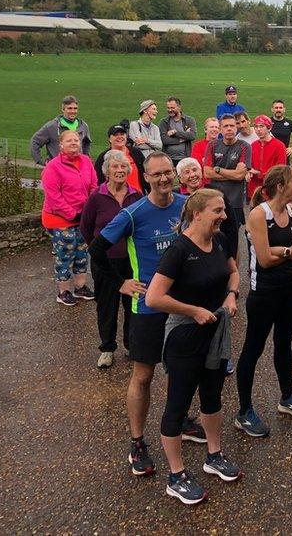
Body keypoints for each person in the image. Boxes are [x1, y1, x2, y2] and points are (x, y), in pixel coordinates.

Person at [88, 152, 202, 477]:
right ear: (146, 177)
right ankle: (137, 442)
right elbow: (96, 248)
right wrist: (120, 283)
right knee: (144, 376)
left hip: (181, 306)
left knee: (181, 371)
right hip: (148, 309)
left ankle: (180, 420)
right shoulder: (133, 213)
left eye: (168, 173)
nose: (164, 179)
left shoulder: (187, 205)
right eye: (157, 175)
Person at [145, 187, 242, 505]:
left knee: (212, 398)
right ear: (197, 213)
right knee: (177, 404)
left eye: (224, 210)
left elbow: (234, 273)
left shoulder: (220, 241)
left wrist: (231, 295)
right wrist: (193, 311)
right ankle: (176, 476)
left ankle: (213, 456)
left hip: (215, 332)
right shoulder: (178, 250)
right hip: (184, 336)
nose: (224, 216)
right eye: (218, 211)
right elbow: (154, 297)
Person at [236, 165, 292, 437]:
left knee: (284, 342)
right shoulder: (258, 215)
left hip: (291, 286)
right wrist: (286, 252)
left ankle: (287, 398)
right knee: (253, 349)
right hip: (264, 291)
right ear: (280, 186)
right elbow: (265, 261)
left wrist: (282, 249)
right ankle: (244, 411)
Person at [80, 151, 142, 368]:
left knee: (132, 303)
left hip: (131, 260)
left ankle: (131, 344)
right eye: (115, 167)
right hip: (105, 262)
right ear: (107, 171)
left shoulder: (136, 196)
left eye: (123, 167)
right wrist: (97, 249)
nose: (120, 170)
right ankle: (107, 348)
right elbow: (86, 228)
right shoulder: (97, 197)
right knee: (107, 305)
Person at [41, 130, 97, 307]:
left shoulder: (86, 161)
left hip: (82, 217)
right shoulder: (53, 167)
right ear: (61, 145)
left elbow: (94, 185)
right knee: (65, 254)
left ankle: (80, 287)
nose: (74, 143)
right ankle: (63, 291)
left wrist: (88, 209)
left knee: (82, 253)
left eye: (76, 140)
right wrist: (73, 214)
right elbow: (54, 197)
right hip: (60, 219)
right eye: (69, 141)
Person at [177, 158, 239, 259]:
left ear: (201, 172)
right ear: (180, 178)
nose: (192, 175)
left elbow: (231, 226)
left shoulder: (216, 192)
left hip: (217, 247)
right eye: (187, 172)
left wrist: (232, 255)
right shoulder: (176, 197)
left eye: (194, 170)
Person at [203, 114, 251, 239]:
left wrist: (218, 169)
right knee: (213, 238)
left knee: (233, 242)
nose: (229, 129)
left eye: (232, 125)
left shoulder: (244, 146)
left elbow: (240, 175)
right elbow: (207, 173)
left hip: (235, 203)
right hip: (214, 200)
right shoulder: (212, 145)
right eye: (225, 126)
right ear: (220, 129)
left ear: (236, 128)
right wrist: (233, 173)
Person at [30, 95, 92, 165]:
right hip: (58, 169)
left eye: (75, 108)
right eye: (69, 108)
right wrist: (40, 160)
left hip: (77, 168)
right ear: (63, 109)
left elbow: (87, 142)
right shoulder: (52, 126)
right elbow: (35, 141)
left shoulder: (83, 126)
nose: (73, 111)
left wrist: (86, 158)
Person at [94, 123, 148, 192]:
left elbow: (146, 174)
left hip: (138, 198)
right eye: (116, 135)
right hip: (115, 199)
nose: (119, 137)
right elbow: (98, 181)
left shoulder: (136, 153)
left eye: (122, 134)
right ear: (109, 139)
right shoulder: (103, 157)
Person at [248, 115, 287, 201]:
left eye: (262, 126)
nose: (258, 129)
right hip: (255, 191)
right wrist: (248, 171)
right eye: (256, 126)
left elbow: (280, 170)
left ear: (269, 128)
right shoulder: (253, 145)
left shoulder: (279, 146)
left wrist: (259, 173)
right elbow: (249, 166)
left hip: (271, 191)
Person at [159, 97, 196, 166]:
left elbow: (192, 136)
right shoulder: (164, 122)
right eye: (168, 108)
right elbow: (164, 140)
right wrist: (182, 139)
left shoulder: (189, 120)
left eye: (172, 108)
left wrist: (175, 132)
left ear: (179, 107)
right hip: (168, 159)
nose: (170, 110)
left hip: (185, 159)